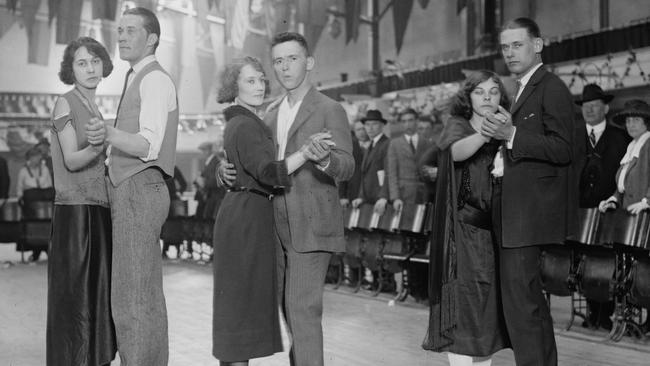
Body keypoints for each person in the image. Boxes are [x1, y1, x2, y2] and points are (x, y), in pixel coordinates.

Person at [218, 32, 354, 366]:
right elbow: (257, 164)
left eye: (292, 58)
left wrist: (323, 159)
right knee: (287, 310)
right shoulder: (268, 113)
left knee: (302, 310)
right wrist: (222, 170)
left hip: (312, 223)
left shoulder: (329, 109)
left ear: (308, 63)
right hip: (272, 226)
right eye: (278, 61)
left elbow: (347, 166)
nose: (284, 67)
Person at [85, 7, 178, 365]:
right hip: (135, 189)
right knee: (139, 293)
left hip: (140, 189)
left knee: (132, 296)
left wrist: (108, 132)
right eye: (119, 30)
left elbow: (148, 145)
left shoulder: (153, 78)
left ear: (152, 38)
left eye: (130, 31)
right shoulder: (136, 76)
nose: (121, 37)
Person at [480, 17, 575, 366]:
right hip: (515, 212)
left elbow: (565, 148)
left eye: (517, 44)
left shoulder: (551, 88)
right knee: (525, 303)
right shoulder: (523, 87)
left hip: (528, 214)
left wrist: (512, 136)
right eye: (505, 47)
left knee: (522, 305)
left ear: (538, 44)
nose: (509, 53)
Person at [422, 70, 511, 366]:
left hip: (495, 233)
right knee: (462, 306)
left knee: (486, 312)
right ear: (468, 97)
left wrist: (507, 135)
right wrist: (487, 132)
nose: (487, 97)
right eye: (479, 92)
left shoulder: (506, 129)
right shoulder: (457, 125)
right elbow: (455, 153)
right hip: (461, 232)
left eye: (493, 92)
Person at [46, 36, 117, 366]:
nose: (90, 68)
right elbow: (73, 160)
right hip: (74, 215)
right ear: (70, 70)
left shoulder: (95, 108)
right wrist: (100, 146)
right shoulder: (65, 102)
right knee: (76, 307)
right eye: (81, 62)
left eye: (94, 61)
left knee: (97, 303)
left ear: (104, 65)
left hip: (98, 212)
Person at [575, 84, 629, 330]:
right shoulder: (572, 135)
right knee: (584, 262)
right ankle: (591, 311)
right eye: (586, 106)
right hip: (580, 212)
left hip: (610, 213)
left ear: (605, 108)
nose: (590, 110)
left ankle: (605, 314)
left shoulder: (621, 137)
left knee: (607, 262)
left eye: (595, 105)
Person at [599, 99, 650, 215]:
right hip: (630, 216)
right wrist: (614, 200)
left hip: (646, 217)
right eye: (628, 121)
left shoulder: (648, 144)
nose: (631, 125)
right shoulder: (632, 147)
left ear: (646, 123)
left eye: (636, 120)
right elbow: (625, 186)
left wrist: (647, 202)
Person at [16, 147, 53, 261]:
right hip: (31, 208)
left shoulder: (45, 169)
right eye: (35, 157)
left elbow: (50, 185)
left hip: (45, 206)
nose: (37, 160)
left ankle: (47, 248)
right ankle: (35, 250)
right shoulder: (23, 171)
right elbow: (19, 189)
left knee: (46, 227)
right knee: (33, 227)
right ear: (30, 158)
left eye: (38, 157)